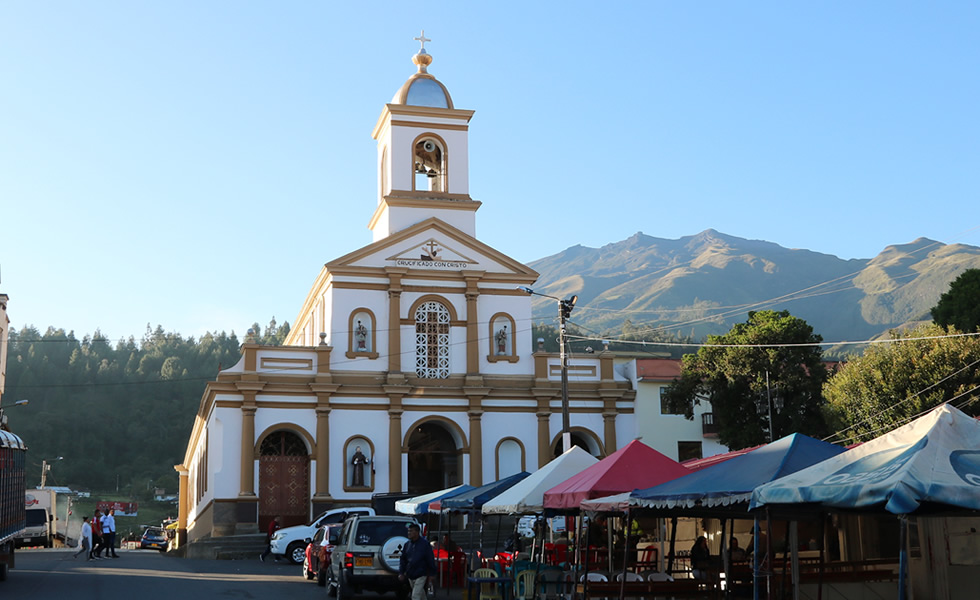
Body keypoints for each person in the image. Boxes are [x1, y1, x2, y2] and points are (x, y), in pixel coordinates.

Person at [398, 522, 436, 600]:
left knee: (415, 595)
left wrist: (432, 573)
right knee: (420, 594)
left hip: (421, 573)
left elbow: (430, 558)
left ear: (417, 532)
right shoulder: (407, 545)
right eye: (408, 531)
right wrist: (401, 572)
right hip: (410, 574)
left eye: (411, 531)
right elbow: (403, 559)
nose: (409, 533)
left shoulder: (425, 544)